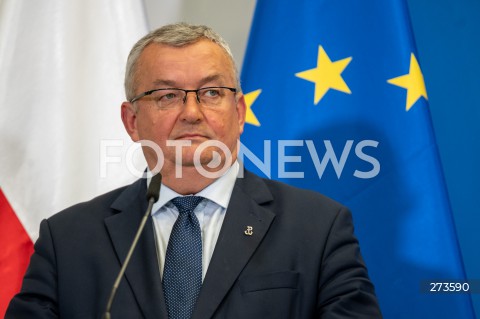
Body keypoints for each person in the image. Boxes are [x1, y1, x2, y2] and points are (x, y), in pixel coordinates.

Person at [6, 23, 382, 318]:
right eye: (167, 95)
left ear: (239, 112)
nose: (191, 112)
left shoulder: (318, 228)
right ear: (132, 121)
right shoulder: (68, 239)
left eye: (212, 92)